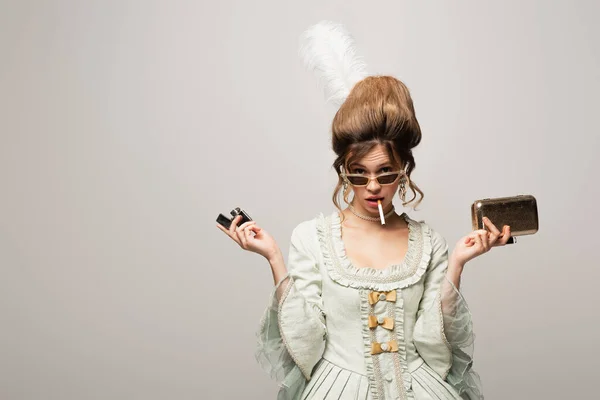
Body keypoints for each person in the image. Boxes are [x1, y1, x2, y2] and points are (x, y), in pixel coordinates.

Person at [217, 76, 512, 399]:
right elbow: (308, 344)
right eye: (359, 173)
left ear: (404, 172)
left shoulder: (429, 243)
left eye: (385, 172)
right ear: (344, 172)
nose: (372, 186)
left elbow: (434, 346)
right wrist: (273, 257)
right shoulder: (311, 238)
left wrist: (457, 263)